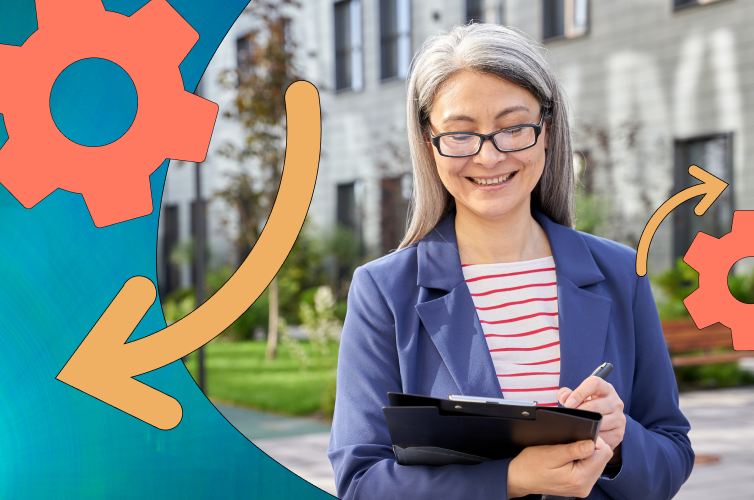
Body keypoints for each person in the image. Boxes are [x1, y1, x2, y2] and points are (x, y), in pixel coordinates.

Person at [327, 23, 694, 500]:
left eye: (513, 128)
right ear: (428, 142)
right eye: (460, 134)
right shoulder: (384, 291)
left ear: (546, 130)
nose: (489, 155)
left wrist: (622, 441)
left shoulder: (620, 274)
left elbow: (672, 455)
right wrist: (511, 479)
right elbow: (360, 484)